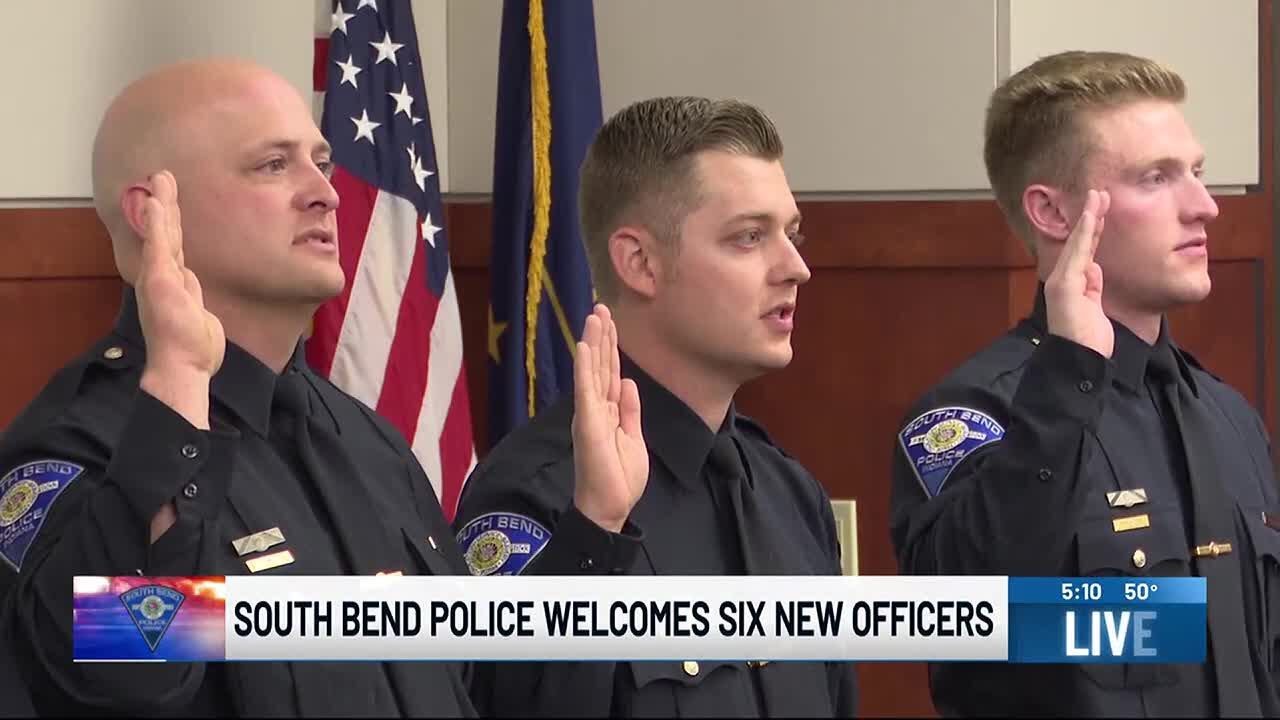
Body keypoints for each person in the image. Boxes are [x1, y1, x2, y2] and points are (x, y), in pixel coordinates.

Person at [0, 58, 484, 716]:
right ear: (151, 213)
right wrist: (177, 388)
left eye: (322, 163)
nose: (326, 193)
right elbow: (120, 673)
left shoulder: (370, 441)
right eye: (273, 165)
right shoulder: (77, 446)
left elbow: (467, 680)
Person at [890, 50, 1280, 717]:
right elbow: (970, 620)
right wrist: (1069, 374)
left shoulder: (1229, 414)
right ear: (1052, 212)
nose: (1205, 207)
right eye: (1155, 178)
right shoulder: (976, 413)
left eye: (1197, 173)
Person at [454, 96, 858, 717]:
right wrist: (595, 531)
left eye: (792, 234)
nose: (796, 268)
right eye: (749, 237)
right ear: (640, 262)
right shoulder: (537, 498)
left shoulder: (791, 494)